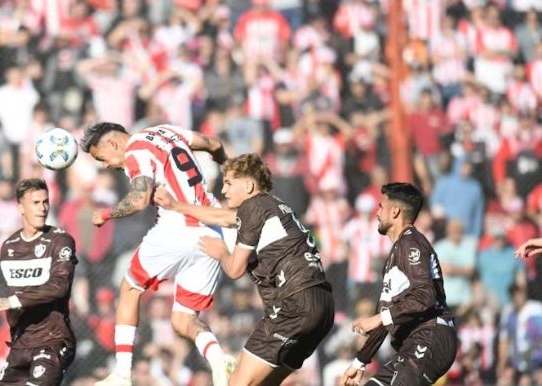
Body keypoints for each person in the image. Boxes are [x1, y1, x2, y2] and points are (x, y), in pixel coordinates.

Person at [154, 153, 335, 385]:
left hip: (292, 305)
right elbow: (222, 217)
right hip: (322, 307)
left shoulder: (253, 207)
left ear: (249, 185)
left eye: (229, 183)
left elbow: (235, 269)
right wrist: (176, 206)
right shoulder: (272, 206)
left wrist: (221, 252)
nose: (224, 191)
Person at [81, 122, 236, 386]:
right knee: (183, 319)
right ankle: (219, 360)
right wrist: (229, 175)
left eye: (101, 157)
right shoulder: (167, 131)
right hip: (212, 231)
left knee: (130, 287)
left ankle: (121, 374)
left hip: (176, 227)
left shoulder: (135, 151)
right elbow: (214, 144)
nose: (106, 165)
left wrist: (104, 214)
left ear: (113, 144)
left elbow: (139, 200)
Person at [340, 183, 458, 386]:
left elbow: (424, 296)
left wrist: (378, 318)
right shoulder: (397, 251)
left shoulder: (411, 243)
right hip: (412, 343)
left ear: (395, 211)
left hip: (429, 336)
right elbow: (388, 317)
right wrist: (360, 361)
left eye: (381, 206)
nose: (377, 213)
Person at [0, 178, 78, 386]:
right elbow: (17, 291)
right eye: (36, 203)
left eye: (45, 202)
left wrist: (11, 302)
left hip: (53, 339)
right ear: (21, 207)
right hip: (21, 343)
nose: (43, 208)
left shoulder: (60, 241)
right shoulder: (10, 247)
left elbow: (60, 287)